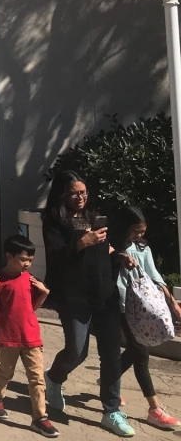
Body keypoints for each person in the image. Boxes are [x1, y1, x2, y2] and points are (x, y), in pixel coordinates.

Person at [42, 170, 133, 437]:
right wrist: (82, 242)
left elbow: (105, 248)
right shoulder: (53, 222)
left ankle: (111, 410)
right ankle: (54, 378)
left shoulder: (93, 217)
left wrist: (119, 256)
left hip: (104, 292)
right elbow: (56, 256)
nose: (80, 197)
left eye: (83, 192)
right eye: (74, 193)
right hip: (74, 296)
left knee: (111, 353)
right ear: (63, 194)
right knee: (77, 350)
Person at [0, 234, 59, 438]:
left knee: (37, 378)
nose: (27, 264)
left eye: (30, 260)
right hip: (7, 337)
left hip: (31, 337)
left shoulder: (29, 279)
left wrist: (44, 293)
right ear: (9, 256)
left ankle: (40, 418)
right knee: (6, 372)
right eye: (23, 259)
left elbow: (31, 307)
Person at [113, 206, 181, 429]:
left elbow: (155, 276)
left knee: (135, 349)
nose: (139, 235)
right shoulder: (111, 246)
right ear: (124, 227)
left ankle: (109, 380)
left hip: (141, 308)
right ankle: (154, 409)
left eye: (142, 231)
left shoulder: (142, 248)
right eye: (135, 230)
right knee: (140, 352)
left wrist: (173, 303)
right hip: (119, 305)